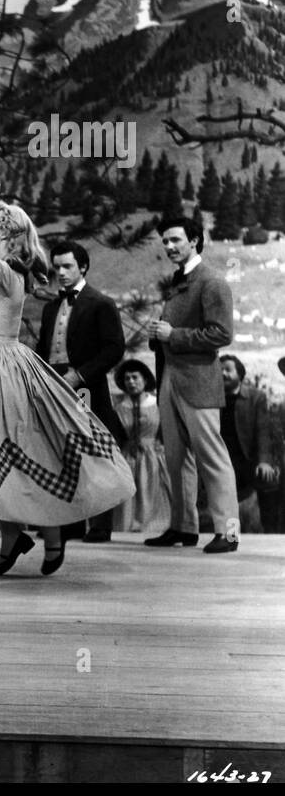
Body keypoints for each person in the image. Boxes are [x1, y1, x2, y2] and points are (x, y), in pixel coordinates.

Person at [0, 175, 134, 577]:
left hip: (5, 368)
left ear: (8, 241)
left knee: (15, 450)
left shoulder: (10, 276)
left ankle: (48, 534)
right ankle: (14, 536)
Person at [143, 217, 240, 553]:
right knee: (175, 458)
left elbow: (222, 334)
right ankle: (183, 528)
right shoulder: (180, 280)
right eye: (165, 242)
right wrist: (161, 335)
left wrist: (174, 335)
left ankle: (228, 532)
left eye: (175, 241)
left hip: (198, 381)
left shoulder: (212, 282)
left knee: (212, 458)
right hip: (172, 376)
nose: (169, 247)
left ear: (196, 241)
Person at [36, 240, 128, 543]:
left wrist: (81, 374)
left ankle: (100, 526)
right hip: (55, 384)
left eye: (67, 267)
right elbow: (43, 347)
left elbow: (115, 347)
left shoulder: (100, 303)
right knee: (62, 450)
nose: (60, 273)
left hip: (87, 387)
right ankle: (70, 523)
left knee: (95, 452)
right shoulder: (51, 307)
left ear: (83, 267)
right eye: (57, 267)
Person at [217, 354, 279, 535]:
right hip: (223, 458)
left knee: (250, 508)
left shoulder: (254, 397)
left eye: (228, 369)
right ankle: (230, 538)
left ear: (240, 374)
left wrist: (264, 460)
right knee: (226, 504)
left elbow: (263, 430)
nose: (223, 374)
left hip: (247, 460)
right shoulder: (213, 398)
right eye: (220, 370)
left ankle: (252, 541)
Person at [112, 360, 171, 535]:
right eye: (127, 378)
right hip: (128, 456)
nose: (131, 382)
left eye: (135, 377)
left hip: (154, 455)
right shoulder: (119, 407)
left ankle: (156, 529)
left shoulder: (158, 402)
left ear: (145, 380)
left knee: (154, 494)